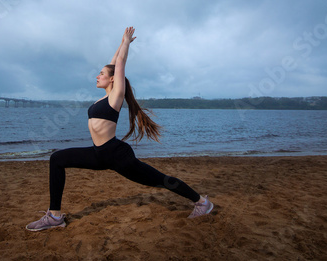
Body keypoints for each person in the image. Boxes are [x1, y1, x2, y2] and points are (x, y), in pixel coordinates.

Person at [26, 27, 213, 231]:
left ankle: (201, 202)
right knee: (57, 159)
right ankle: (54, 216)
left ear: (113, 79)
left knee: (159, 180)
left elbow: (120, 64)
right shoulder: (104, 97)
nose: (97, 76)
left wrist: (125, 43)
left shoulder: (117, 96)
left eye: (101, 74)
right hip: (98, 154)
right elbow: (114, 63)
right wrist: (120, 44)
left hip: (117, 156)